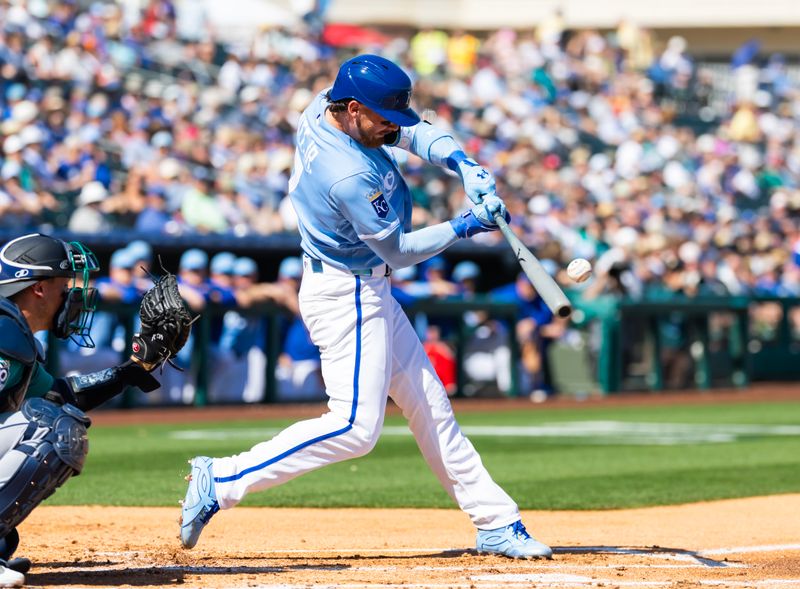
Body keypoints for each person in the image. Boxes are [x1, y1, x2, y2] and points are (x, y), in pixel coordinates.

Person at [180, 54, 552, 560]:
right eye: (381, 118)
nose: (390, 128)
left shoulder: (325, 107)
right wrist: (465, 226)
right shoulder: (345, 173)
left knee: (430, 406)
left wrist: (463, 163)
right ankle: (221, 477)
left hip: (363, 287)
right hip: (346, 293)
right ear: (353, 109)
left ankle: (496, 523)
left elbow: (414, 133)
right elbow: (398, 251)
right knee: (355, 428)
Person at [0, 233, 189, 586]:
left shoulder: (12, 330)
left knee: (52, 416)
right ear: (39, 288)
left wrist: (133, 369)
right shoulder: (3, 327)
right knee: (52, 429)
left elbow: (61, 394)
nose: (72, 295)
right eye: (64, 284)